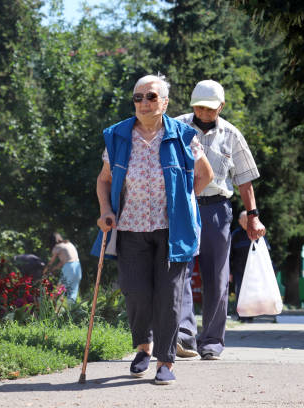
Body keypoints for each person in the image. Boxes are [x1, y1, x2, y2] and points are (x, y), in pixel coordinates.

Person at [92, 74, 213, 385]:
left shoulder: (183, 136)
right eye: (138, 97)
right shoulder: (119, 136)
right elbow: (104, 179)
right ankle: (143, 348)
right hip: (130, 228)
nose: (144, 103)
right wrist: (105, 210)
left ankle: (165, 360)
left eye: (151, 97)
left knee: (169, 296)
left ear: (165, 102)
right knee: (136, 292)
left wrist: (184, 202)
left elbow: (205, 175)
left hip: (173, 231)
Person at [175, 80, 265, 360]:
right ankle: (184, 336)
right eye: (199, 107)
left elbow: (245, 180)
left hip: (216, 209)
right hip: (183, 206)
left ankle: (212, 341)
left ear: (221, 107)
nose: (204, 113)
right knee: (180, 271)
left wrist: (253, 216)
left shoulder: (232, 134)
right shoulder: (177, 126)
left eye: (210, 109)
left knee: (217, 276)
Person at [230, 210, 270, 322]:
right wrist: (229, 272)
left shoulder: (256, 232)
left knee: (253, 292)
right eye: (243, 220)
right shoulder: (235, 235)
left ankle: (251, 315)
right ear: (239, 221)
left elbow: (265, 250)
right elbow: (230, 254)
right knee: (240, 292)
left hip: (254, 269)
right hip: (239, 269)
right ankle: (241, 315)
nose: (245, 222)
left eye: (247, 220)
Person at [44, 233, 81, 303]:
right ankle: (71, 309)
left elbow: (50, 263)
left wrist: (44, 272)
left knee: (59, 291)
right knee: (73, 292)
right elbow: (64, 261)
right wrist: (54, 269)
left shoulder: (57, 247)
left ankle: (54, 308)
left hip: (68, 267)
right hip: (77, 266)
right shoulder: (69, 244)